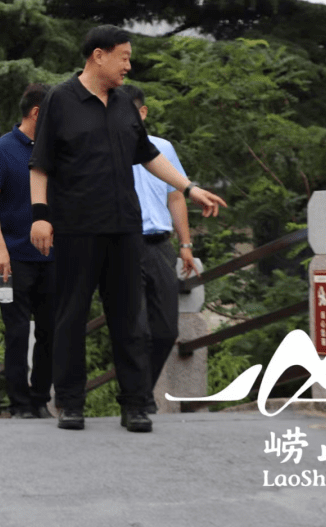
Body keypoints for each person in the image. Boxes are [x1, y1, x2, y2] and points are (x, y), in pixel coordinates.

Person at [29, 25, 226, 434]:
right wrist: (40, 215)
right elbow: (41, 164)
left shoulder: (123, 103)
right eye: (123, 56)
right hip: (76, 227)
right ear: (98, 55)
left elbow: (149, 155)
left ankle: (136, 404)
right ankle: (70, 402)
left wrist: (188, 188)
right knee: (71, 317)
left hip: (124, 228)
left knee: (130, 319)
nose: (128, 65)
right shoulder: (60, 101)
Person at [119, 84, 200, 408]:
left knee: (166, 330)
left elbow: (176, 196)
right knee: (136, 329)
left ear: (143, 113)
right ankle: (137, 399)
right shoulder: (110, 149)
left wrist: (185, 245)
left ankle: (139, 391)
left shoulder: (163, 149)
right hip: (122, 246)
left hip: (159, 245)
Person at [0, 85, 55, 419]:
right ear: (37, 112)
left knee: (52, 332)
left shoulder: (57, 150)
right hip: (13, 260)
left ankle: (40, 400)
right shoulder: (1, 150)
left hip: (55, 258)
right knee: (18, 332)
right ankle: (20, 405)